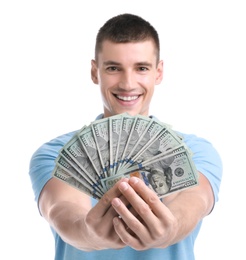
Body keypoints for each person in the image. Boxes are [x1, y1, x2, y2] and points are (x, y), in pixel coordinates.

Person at [29, 13, 223, 260]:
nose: (128, 83)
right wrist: (89, 234)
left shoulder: (198, 151)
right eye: (113, 68)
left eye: (141, 68)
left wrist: (171, 228)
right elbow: (61, 210)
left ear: (158, 72)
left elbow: (193, 200)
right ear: (94, 72)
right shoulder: (54, 153)